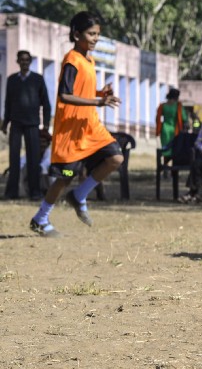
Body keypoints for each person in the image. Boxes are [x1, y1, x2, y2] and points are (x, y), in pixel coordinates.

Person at [29, 12, 124, 237]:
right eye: (91, 34)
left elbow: (84, 91)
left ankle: (79, 195)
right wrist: (98, 100)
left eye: (98, 35)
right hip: (71, 130)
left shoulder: (89, 60)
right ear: (76, 34)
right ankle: (40, 218)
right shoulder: (72, 60)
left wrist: (101, 93)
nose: (95, 38)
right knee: (65, 177)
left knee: (116, 158)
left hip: (90, 126)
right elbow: (65, 95)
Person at [3, 50, 51, 200]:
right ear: (18, 62)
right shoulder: (12, 80)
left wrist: (46, 125)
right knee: (14, 159)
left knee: (33, 159)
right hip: (16, 124)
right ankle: (12, 192)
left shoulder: (38, 79)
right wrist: (5, 123)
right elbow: (8, 104)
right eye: (21, 60)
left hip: (32, 125)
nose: (24, 62)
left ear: (30, 62)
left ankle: (35, 192)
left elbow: (46, 104)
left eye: (27, 60)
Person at [155, 88, 185, 164]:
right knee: (175, 149)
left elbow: (158, 118)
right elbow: (184, 117)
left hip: (164, 130)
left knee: (166, 149)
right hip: (175, 130)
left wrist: (158, 130)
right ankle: (174, 167)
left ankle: (165, 165)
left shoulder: (163, 106)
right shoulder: (178, 106)